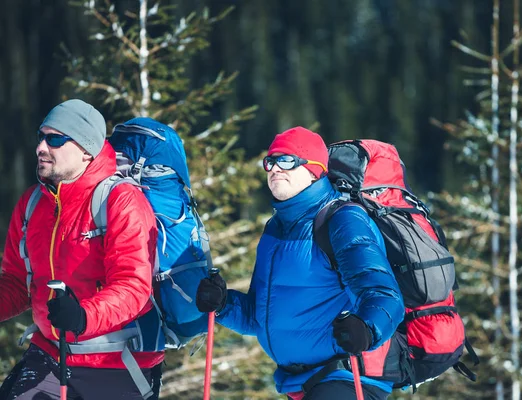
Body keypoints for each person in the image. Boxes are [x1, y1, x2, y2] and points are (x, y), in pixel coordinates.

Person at [196, 127, 405, 400]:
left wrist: (366, 329)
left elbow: (386, 296)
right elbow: (260, 317)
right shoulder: (275, 229)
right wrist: (224, 304)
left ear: (314, 170)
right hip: (300, 384)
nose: (274, 169)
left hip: (348, 378)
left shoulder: (342, 220)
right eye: (270, 162)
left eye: (286, 161)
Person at [0, 99, 163, 399]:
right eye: (41, 137)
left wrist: (82, 316)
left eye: (56, 139)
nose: (41, 147)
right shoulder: (32, 205)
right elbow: (16, 282)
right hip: (50, 353)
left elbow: (133, 286)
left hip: (116, 362)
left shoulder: (120, 201)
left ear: (87, 150)